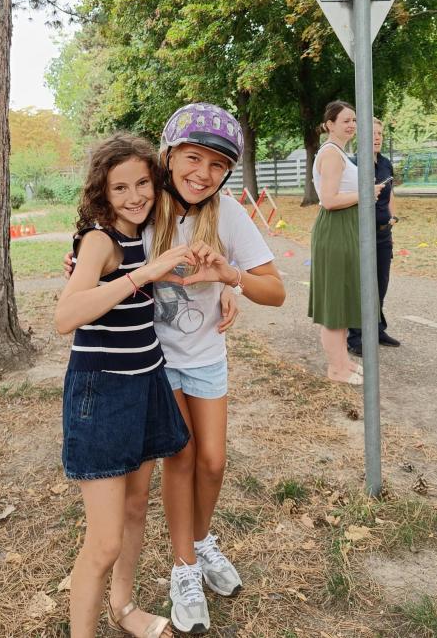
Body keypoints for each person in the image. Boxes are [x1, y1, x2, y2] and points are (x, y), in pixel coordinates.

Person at [64, 104, 285, 634]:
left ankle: (203, 543)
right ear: (168, 157)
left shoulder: (226, 213)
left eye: (216, 165)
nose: (201, 174)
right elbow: (95, 254)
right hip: (152, 363)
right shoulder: (147, 204)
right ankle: (184, 566)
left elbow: (274, 290)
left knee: (212, 462)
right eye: (192, 158)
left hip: (205, 358)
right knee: (180, 462)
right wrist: (77, 267)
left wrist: (228, 278)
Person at [55, 133, 193, 638]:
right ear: (102, 193)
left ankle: (123, 606)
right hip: (103, 393)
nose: (135, 196)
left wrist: (219, 292)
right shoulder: (101, 240)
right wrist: (144, 274)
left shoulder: (144, 232)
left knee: (137, 507)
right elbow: (66, 315)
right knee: (105, 542)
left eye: (142, 184)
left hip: (146, 382)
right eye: (120, 188)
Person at [308, 101, 385, 385]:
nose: (352, 125)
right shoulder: (331, 154)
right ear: (330, 124)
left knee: (341, 301)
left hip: (347, 228)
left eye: (354, 120)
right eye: (345, 121)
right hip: (336, 230)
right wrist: (366, 192)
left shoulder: (340, 152)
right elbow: (328, 201)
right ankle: (336, 369)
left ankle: (343, 363)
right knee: (334, 306)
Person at [347, 117, 401, 355]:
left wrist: (392, 219)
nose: (377, 138)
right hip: (361, 235)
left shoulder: (386, 164)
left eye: (380, 134)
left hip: (383, 235)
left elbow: (390, 195)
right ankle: (357, 338)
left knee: (381, 284)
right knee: (362, 287)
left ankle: (377, 330)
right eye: (373, 134)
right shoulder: (354, 165)